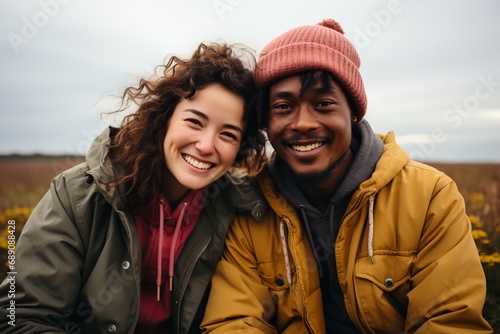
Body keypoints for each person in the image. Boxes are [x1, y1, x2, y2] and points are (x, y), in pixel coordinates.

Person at [201, 19, 494, 333]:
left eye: (323, 103)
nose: (302, 123)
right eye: (284, 106)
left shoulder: (429, 196)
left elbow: (450, 322)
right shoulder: (250, 207)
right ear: (265, 122)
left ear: (353, 113)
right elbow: (233, 322)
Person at [0, 42, 267, 333]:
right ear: (164, 119)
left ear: (242, 146)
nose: (205, 146)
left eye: (228, 135)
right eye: (194, 122)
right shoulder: (78, 195)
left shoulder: (243, 209)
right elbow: (20, 317)